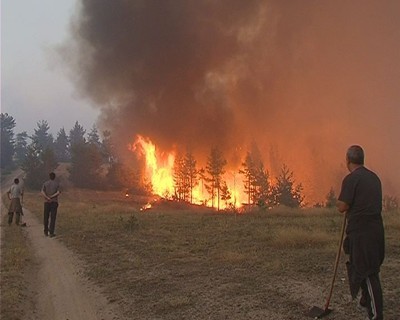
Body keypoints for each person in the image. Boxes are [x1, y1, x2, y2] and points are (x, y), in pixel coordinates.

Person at [337, 145, 385, 320]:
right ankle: (366, 299)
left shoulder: (351, 179)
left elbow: (342, 207)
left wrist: (340, 203)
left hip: (362, 233)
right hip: (376, 230)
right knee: (364, 266)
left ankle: (376, 315)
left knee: (369, 272)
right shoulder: (374, 178)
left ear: (347, 160)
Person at [41, 172, 61, 237]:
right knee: (53, 217)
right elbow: (58, 192)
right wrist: (52, 196)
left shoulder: (45, 183)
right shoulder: (57, 184)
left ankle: (45, 231)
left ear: (49, 177)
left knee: (46, 217)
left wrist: (47, 197)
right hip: (54, 202)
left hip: (46, 202)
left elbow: (42, 191)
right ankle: (51, 232)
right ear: (54, 177)